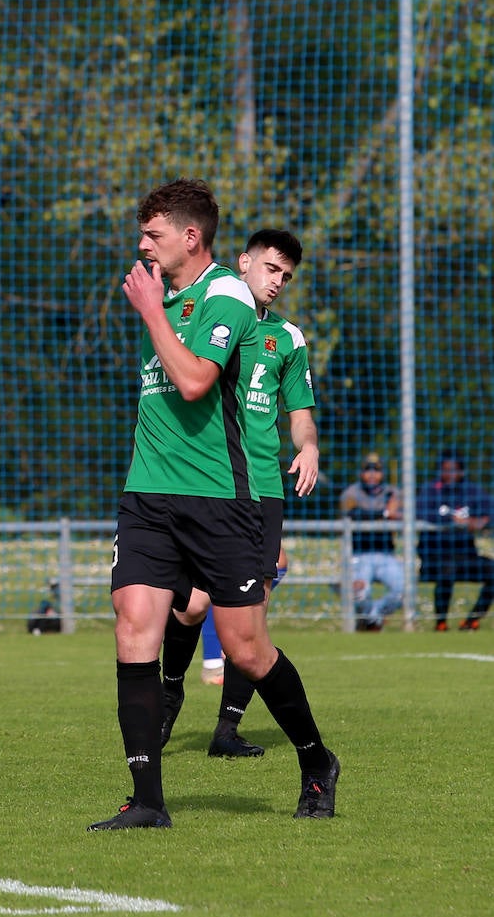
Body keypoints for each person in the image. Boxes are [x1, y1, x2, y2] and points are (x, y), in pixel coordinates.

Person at [91, 180, 338, 830]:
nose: (142, 244)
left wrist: (150, 312)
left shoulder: (225, 293)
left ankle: (316, 758)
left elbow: (197, 381)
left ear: (190, 236)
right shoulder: (165, 296)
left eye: (153, 233)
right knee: (133, 623)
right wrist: (155, 307)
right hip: (147, 496)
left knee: (247, 647)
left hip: (218, 502)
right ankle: (147, 800)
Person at [157, 228, 318, 760]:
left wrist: (309, 446)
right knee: (191, 605)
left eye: (286, 276)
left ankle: (227, 729)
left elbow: (299, 416)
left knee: (253, 615)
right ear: (243, 262)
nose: (277, 282)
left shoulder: (288, 340)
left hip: (263, 489)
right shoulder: (208, 314)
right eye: (271, 269)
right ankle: (172, 688)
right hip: (208, 483)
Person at [415, 451, 494, 631]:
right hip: (435, 555)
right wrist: (451, 521)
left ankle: (472, 620)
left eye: (454, 470)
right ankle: (441, 622)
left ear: (461, 472)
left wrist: (481, 521)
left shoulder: (471, 490)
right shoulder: (430, 490)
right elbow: (421, 513)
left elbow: (490, 510)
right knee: (447, 568)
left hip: (465, 554)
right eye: (446, 470)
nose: (450, 474)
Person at [339, 452, 404, 630]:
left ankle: (372, 617)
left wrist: (393, 513)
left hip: (386, 554)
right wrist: (384, 513)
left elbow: (402, 515)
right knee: (359, 592)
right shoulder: (351, 493)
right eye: (368, 470)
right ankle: (372, 622)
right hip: (360, 555)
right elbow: (352, 514)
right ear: (361, 473)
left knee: (403, 590)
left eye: (376, 470)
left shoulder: (393, 492)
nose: (372, 474)